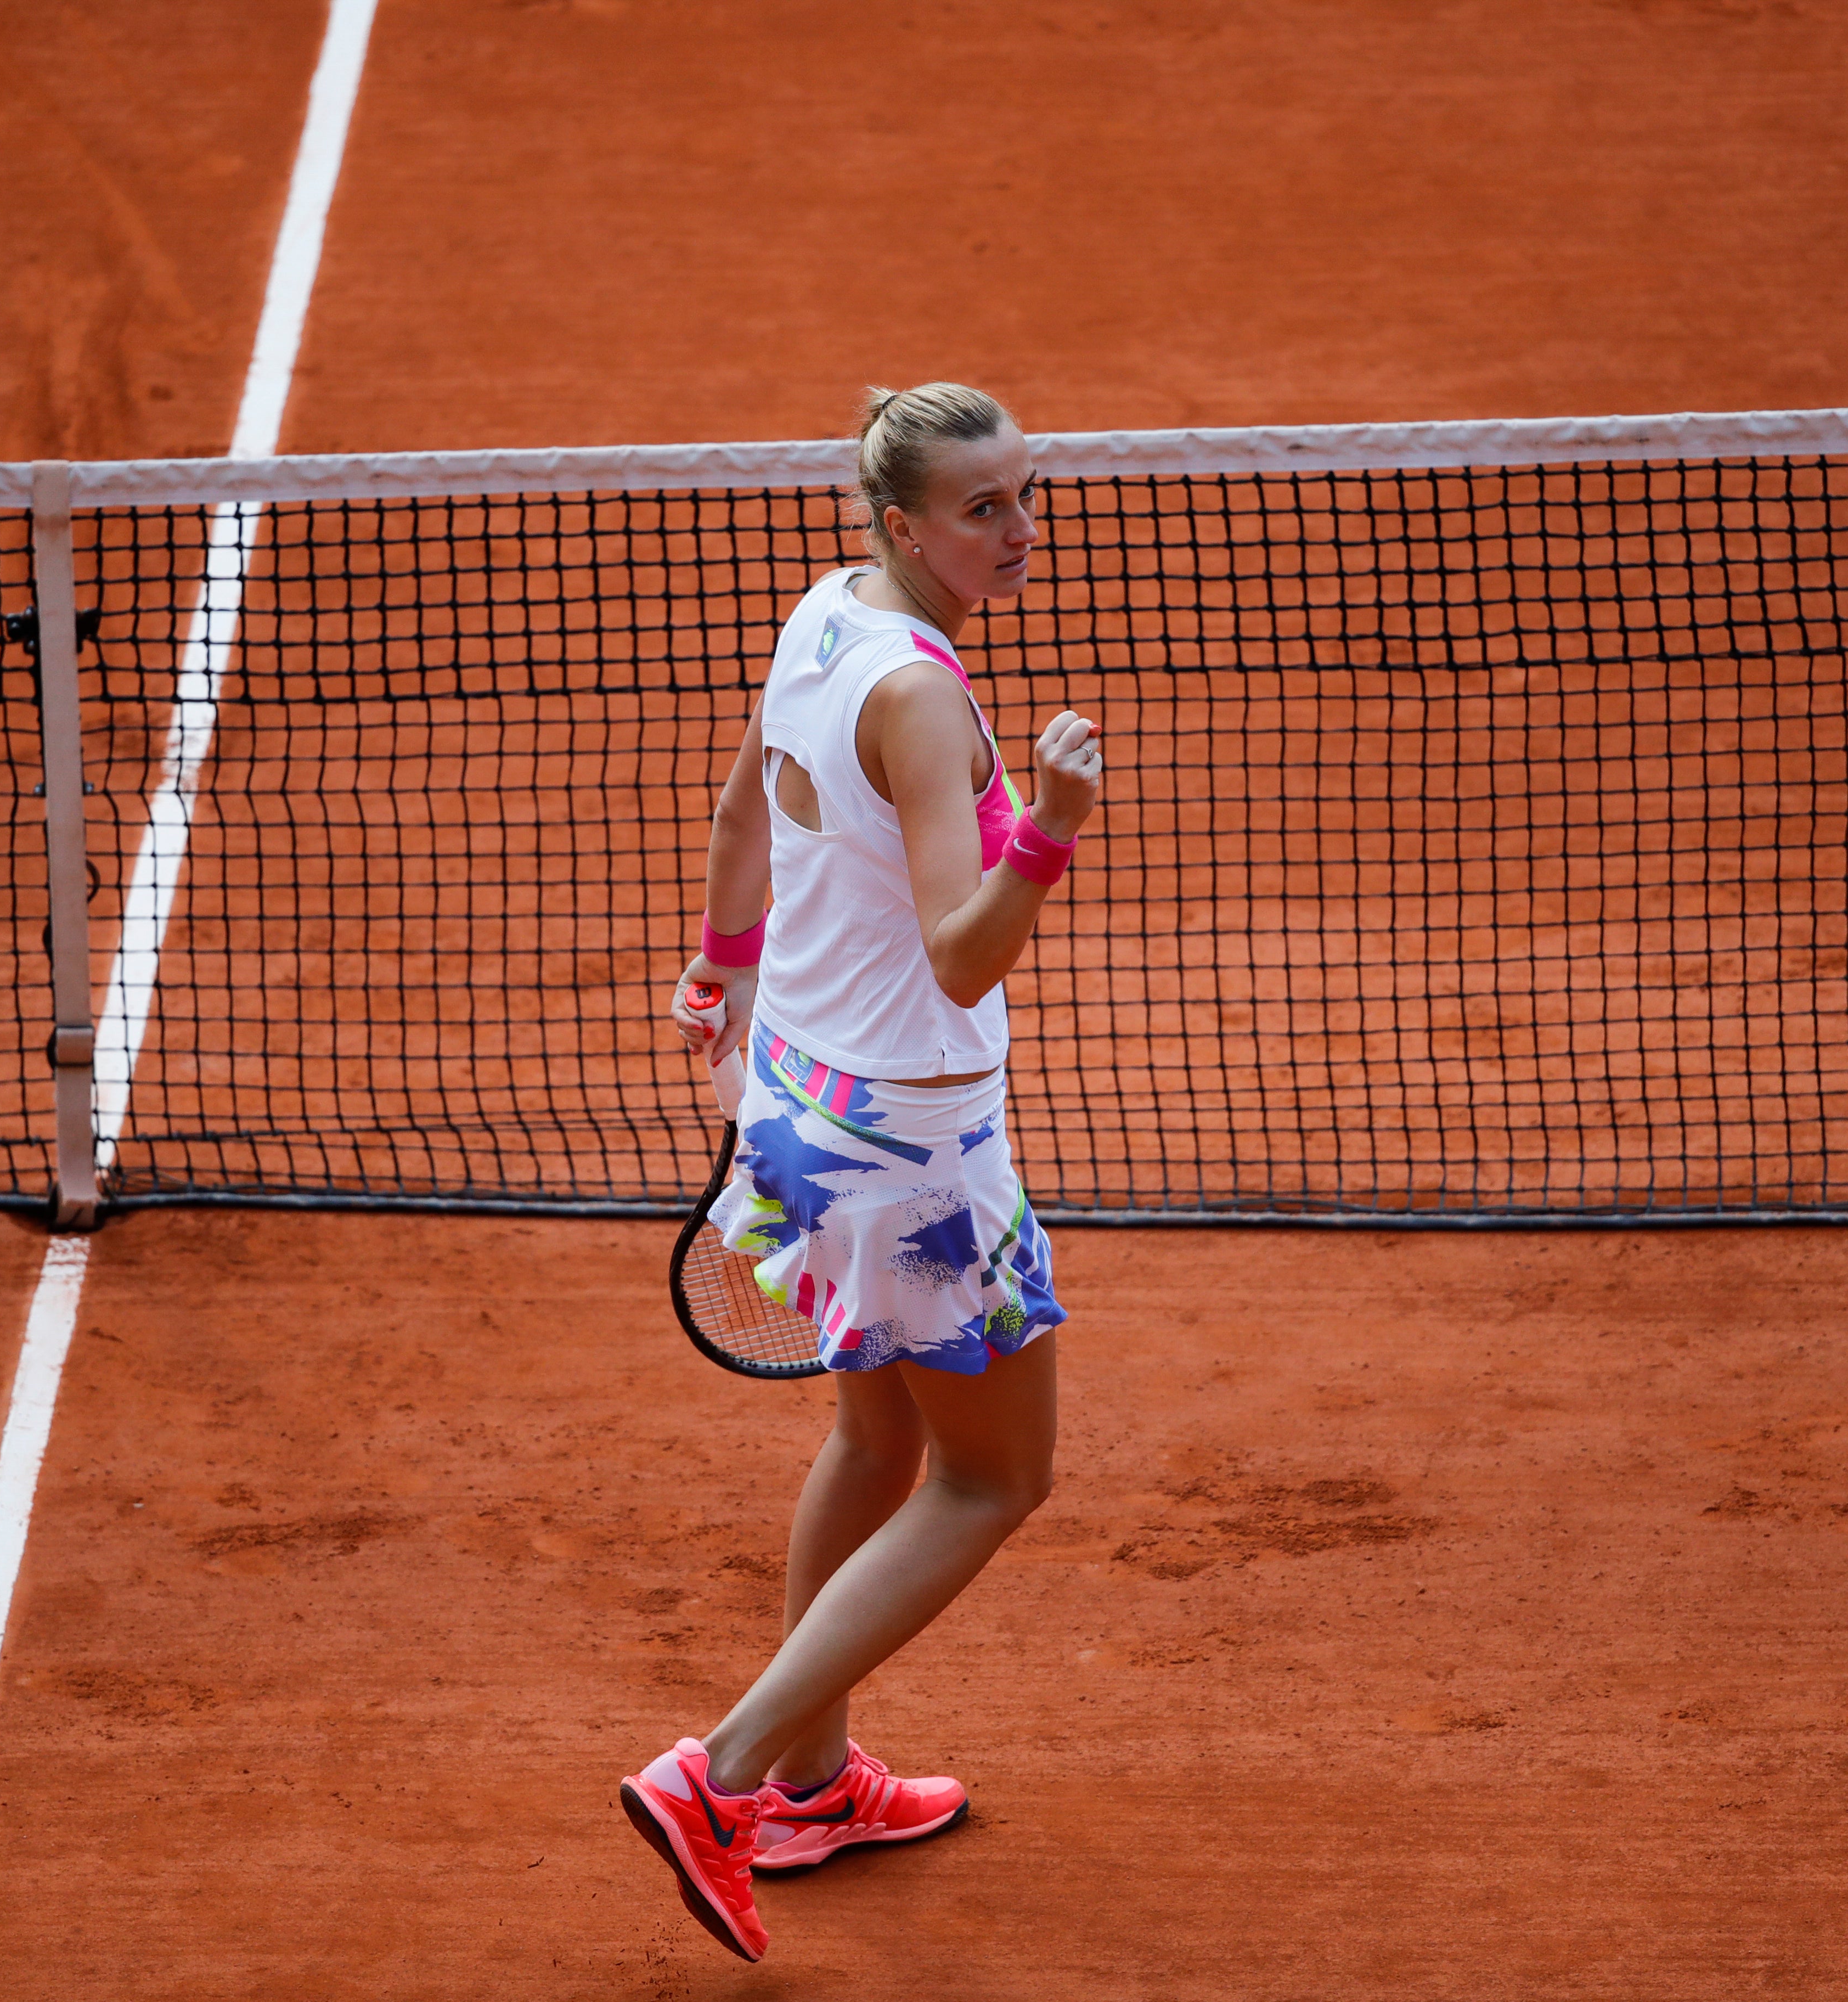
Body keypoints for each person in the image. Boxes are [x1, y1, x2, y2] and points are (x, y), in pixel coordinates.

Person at [618, 383, 1105, 1962]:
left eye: (1025, 497)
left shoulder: (823, 613)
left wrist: (717, 972)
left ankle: (817, 1787)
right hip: (917, 1146)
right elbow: (964, 960)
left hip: (804, 1104)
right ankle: (729, 1770)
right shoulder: (928, 702)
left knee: (882, 1436)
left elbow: (744, 806)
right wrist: (1050, 824)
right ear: (905, 523)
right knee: (997, 1475)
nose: (1018, 531)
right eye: (984, 509)